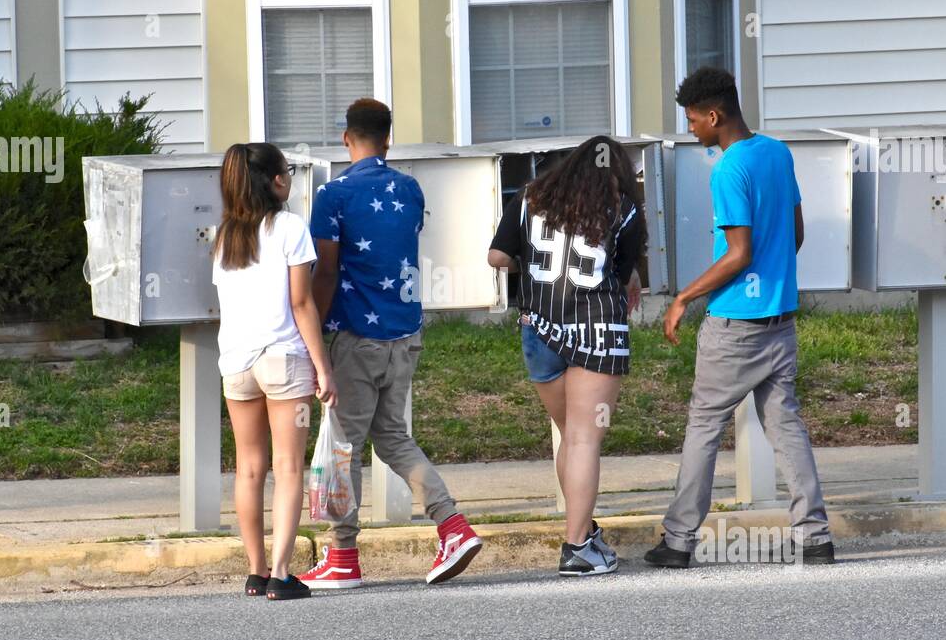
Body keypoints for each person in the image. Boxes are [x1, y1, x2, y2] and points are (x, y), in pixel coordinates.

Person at [647, 67, 836, 568]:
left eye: (693, 120)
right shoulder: (777, 152)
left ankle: (679, 541)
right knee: (785, 425)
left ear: (715, 115)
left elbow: (738, 253)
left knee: (704, 425)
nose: (691, 129)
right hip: (781, 320)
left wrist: (683, 297)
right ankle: (815, 538)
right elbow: (794, 234)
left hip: (734, 324)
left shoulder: (728, 170)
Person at [299, 98, 482, 589]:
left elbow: (328, 268)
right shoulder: (410, 188)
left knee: (341, 446)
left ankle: (342, 556)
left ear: (345, 138)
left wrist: (311, 324)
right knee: (393, 438)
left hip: (354, 337)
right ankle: (452, 525)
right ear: (388, 139)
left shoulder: (332, 195)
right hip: (405, 334)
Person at [488, 135, 647, 576]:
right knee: (583, 439)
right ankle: (577, 546)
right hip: (597, 328)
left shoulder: (530, 197)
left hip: (538, 329)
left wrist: (533, 264)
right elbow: (620, 270)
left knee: (570, 435)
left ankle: (584, 532)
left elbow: (497, 255)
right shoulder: (623, 208)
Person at [212, 142, 336, 601]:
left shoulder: (225, 235)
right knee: (287, 468)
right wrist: (324, 367)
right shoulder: (289, 228)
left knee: (248, 469)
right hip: (284, 360)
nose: (289, 179)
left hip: (236, 364)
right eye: (286, 172)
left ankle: (255, 571)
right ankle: (282, 575)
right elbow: (302, 303)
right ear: (275, 181)